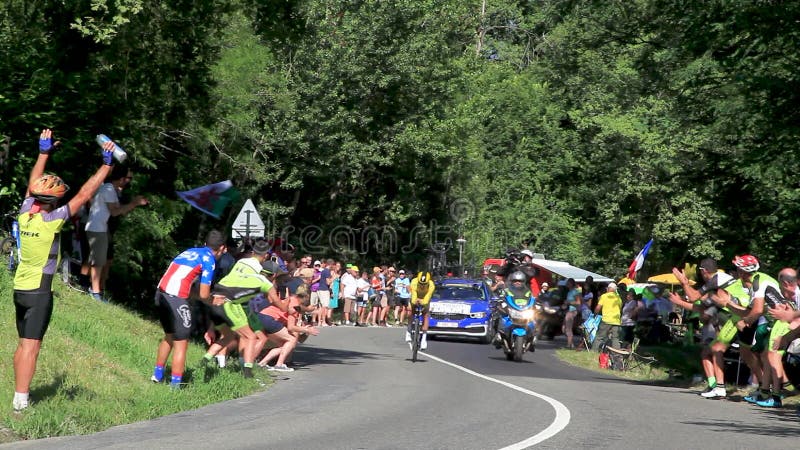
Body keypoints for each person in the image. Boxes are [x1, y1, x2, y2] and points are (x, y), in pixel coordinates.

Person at [12, 129, 117, 412]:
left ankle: (17, 394)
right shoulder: (52, 220)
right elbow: (85, 193)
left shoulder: (25, 213)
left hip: (19, 289)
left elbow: (32, 185)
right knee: (32, 347)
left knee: (23, 345)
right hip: (39, 292)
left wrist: (43, 153)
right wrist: (106, 165)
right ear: (54, 201)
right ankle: (21, 402)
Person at [151, 230, 226, 389]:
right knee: (182, 343)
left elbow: (191, 289)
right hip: (175, 299)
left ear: (205, 243)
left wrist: (202, 297)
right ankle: (175, 387)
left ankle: (157, 375)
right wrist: (213, 300)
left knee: (169, 336)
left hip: (160, 293)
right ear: (221, 249)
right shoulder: (209, 260)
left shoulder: (191, 251)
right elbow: (204, 294)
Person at [668, 258, 751, 399]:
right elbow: (700, 309)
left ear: (704, 271)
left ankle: (720, 387)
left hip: (739, 317)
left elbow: (694, 297)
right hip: (735, 317)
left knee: (717, 349)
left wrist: (684, 282)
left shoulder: (717, 278)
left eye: (700, 273)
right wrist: (680, 302)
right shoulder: (717, 289)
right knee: (707, 352)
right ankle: (713, 385)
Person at [710, 255, 783, 406]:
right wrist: (729, 304)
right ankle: (766, 391)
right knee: (758, 354)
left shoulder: (758, 282)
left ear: (743, 271)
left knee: (767, 355)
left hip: (779, 319)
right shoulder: (755, 281)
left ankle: (773, 394)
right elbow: (749, 311)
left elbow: (755, 312)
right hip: (771, 319)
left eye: (738, 269)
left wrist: (746, 321)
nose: (737, 272)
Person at [200, 239, 276, 379]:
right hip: (239, 304)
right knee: (253, 337)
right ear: (265, 256)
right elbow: (269, 295)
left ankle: (204, 362)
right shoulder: (258, 271)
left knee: (229, 336)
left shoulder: (241, 262)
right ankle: (247, 370)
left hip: (221, 297)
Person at [84, 164, 147, 301]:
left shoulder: (108, 188)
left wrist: (129, 205)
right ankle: (95, 292)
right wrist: (134, 203)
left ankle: (93, 289)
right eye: (127, 178)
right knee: (99, 262)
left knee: (98, 260)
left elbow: (117, 209)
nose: (128, 181)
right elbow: (115, 212)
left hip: (98, 228)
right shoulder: (108, 189)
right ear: (121, 178)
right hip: (97, 228)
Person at [405, 272, 436, 349]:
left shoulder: (431, 285)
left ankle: (424, 338)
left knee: (426, 314)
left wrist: (423, 302)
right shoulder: (414, 282)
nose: (422, 286)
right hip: (415, 296)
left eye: (424, 284)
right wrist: (415, 301)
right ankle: (408, 330)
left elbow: (428, 296)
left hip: (425, 297)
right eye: (420, 284)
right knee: (410, 311)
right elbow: (414, 294)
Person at [592, 283, 622, 351]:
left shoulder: (604, 296)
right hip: (616, 321)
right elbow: (620, 309)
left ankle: (593, 352)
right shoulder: (618, 298)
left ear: (608, 289)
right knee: (615, 338)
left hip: (606, 320)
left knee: (599, 337)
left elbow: (598, 307)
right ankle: (616, 353)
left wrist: (594, 314)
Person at [563, 278, 581, 348]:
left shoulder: (575, 292)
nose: (566, 284)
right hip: (568, 310)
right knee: (564, 328)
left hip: (572, 311)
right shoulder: (569, 292)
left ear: (571, 283)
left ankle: (568, 344)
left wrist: (569, 302)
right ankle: (571, 344)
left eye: (568, 283)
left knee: (568, 328)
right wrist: (565, 304)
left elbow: (578, 302)